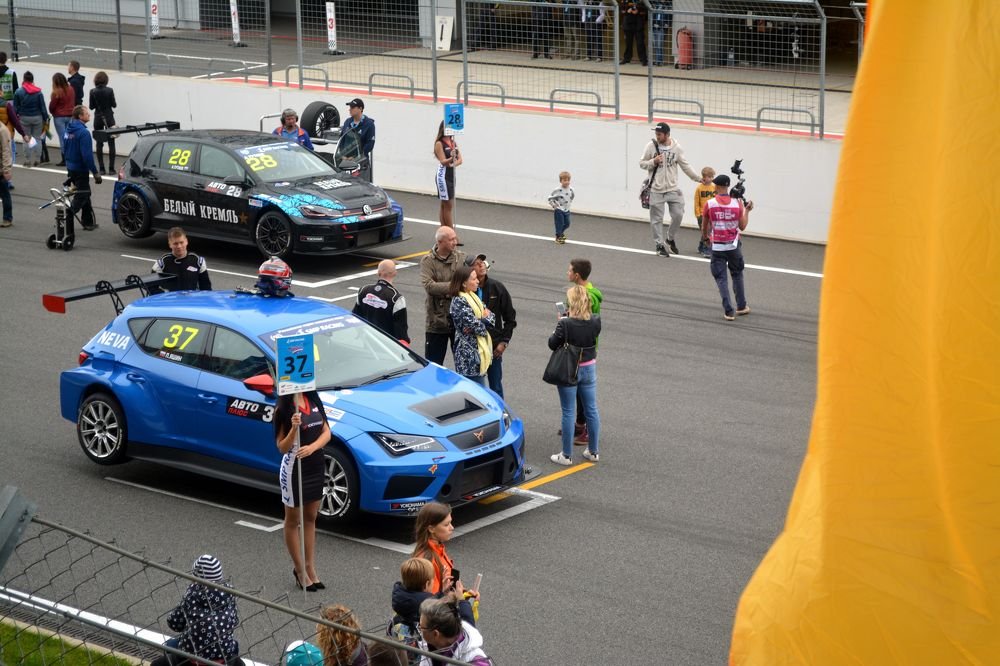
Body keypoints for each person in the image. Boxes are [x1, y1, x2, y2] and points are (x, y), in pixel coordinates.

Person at [275, 387, 331, 592]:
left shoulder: (313, 400)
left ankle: (310, 567)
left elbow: (327, 432)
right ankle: (299, 570)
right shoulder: (282, 408)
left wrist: (312, 448)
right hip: (294, 469)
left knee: (310, 517)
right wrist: (293, 428)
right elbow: (281, 447)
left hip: (315, 464)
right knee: (293, 520)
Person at [150, 554, 243, 666]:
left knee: (170, 644)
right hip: (222, 655)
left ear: (195, 578)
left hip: (191, 654)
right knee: (234, 645)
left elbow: (174, 623)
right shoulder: (230, 594)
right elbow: (235, 622)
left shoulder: (192, 594)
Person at [549, 285, 601, 466]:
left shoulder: (565, 324)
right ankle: (593, 451)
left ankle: (566, 455)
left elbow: (552, 343)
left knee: (568, 411)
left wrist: (560, 323)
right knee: (591, 409)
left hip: (570, 368)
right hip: (589, 367)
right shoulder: (596, 320)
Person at [391, 557, 476, 654]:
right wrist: (462, 601)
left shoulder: (400, 601)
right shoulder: (430, 613)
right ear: (427, 584)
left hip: (400, 656)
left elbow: (424, 601)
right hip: (427, 658)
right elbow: (468, 632)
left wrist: (442, 593)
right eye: (433, 580)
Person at [639, 122, 699, 256]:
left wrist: (698, 178)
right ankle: (659, 245)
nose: (657, 136)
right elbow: (642, 163)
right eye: (656, 134)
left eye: (659, 134)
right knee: (656, 220)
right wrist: (653, 161)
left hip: (672, 189)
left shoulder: (676, 148)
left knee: (678, 214)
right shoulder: (650, 146)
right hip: (656, 189)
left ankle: (670, 239)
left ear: (667, 134)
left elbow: (685, 166)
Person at [701, 174, 753, 320]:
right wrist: (747, 211)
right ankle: (741, 306)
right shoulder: (737, 203)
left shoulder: (710, 204)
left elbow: (704, 226)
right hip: (734, 245)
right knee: (737, 274)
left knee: (721, 278)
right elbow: (742, 226)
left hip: (717, 246)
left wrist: (705, 238)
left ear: (717, 186)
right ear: (727, 186)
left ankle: (729, 311)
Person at [466, 254, 516, 398]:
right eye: (477, 263)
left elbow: (510, 318)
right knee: (474, 388)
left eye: (482, 262)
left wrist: (504, 342)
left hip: (493, 347)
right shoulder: (465, 292)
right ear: (469, 270)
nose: (481, 265)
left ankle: (499, 411)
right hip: (472, 348)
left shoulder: (497, 287)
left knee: (496, 387)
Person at [565, 258, 603, 446]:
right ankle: (580, 424)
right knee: (580, 392)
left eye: (570, 270)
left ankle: (587, 430)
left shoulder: (586, 296)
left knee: (584, 393)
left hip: (582, 349)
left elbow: (582, 320)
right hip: (583, 347)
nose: (567, 273)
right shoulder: (586, 291)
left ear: (577, 275)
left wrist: (566, 320)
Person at [420, 226, 465, 365]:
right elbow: (429, 286)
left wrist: (443, 288)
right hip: (436, 323)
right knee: (433, 365)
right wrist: (456, 286)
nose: (455, 242)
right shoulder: (427, 261)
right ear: (440, 242)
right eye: (451, 239)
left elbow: (468, 283)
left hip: (458, 322)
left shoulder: (461, 258)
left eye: (455, 238)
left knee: (463, 364)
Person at [448, 265, 494, 387]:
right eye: (474, 279)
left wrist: (482, 320)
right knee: (475, 392)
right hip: (468, 357)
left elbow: (492, 319)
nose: (478, 281)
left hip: (478, 353)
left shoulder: (474, 297)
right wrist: (484, 319)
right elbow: (479, 328)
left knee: (480, 391)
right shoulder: (459, 301)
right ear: (464, 283)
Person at [62, 105, 102, 243]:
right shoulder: (84, 133)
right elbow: (87, 156)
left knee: (85, 192)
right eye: (86, 113)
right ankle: (69, 213)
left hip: (71, 167)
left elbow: (64, 148)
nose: (89, 115)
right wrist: (95, 172)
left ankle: (88, 221)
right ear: (80, 116)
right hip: (80, 169)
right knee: (83, 194)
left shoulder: (68, 129)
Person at [416, 598, 491, 666]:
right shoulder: (430, 645)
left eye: (421, 627)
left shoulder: (476, 662)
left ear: (435, 634)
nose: (419, 629)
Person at [353, 259, 409, 344]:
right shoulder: (396, 298)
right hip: (386, 345)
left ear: (378, 273)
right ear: (395, 273)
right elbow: (401, 331)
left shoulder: (363, 290)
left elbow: (355, 317)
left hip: (366, 341)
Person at [411, 502, 462, 596]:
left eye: (450, 522)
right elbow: (432, 600)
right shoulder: (426, 560)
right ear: (431, 529)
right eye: (446, 525)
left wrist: (465, 594)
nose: (452, 527)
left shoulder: (437, 548)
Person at [151, 227, 213, 292]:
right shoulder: (161, 264)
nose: (179, 246)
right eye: (175, 243)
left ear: (186, 241)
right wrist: (165, 296)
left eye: (181, 242)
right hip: (171, 298)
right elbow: (151, 288)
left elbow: (206, 289)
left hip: (192, 298)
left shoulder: (198, 262)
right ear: (170, 244)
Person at [13, 71, 47, 167]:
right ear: (32, 80)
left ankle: (27, 160)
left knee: (26, 139)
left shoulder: (18, 91)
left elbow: (15, 107)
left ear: (24, 79)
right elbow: (42, 107)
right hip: (37, 117)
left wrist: (15, 118)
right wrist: (45, 118)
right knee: (37, 138)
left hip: (24, 118)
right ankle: (37, 159)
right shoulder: (38, 92)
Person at [433, 121, 462, 230]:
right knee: (448, 205)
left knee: (444, 205)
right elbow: (443, 161)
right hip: (443, 176)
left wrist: (453, 163)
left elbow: (460, 160)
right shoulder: (439, 143)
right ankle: (451, 232)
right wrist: (451, 159)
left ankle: (444, 230)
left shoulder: (453, 142)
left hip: (451, 175)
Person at [89, 71, 117, 174]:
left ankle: (101, 168)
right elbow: (114, 105)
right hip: (109, 118)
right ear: (106, 80)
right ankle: (111, 169)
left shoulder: (92, 91)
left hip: (98, 118)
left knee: (99, 143)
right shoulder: (110, 90)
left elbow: (91, 107)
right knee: (111, 143)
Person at [49, 73, 74, 167]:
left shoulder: (57, 92)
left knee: (62, 137)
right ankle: (71, 156)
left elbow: (52, 106)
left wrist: (52, 112)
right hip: (70, 115)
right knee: (69, 136)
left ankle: (65, 158)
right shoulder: (71, 89)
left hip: (59, 117)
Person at [342, 98, 375, 164]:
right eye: (350, 107)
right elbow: (341, 140)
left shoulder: (369, 124)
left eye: (352, 107)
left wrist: (356, 157)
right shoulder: (347, 121)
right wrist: (342, 155)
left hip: (361, 162)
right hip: (345, 161)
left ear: (360, 109)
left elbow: (369, 144)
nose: (350, 109)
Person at [693, 166, 716, 258]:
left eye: (712, 177)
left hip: (712, 214)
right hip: (702, 214)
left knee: (708, 231)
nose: (711, 179)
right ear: (703, 177)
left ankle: (703, 246)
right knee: (706, 231)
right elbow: (696, 202)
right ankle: (705, 248)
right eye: (709, 177)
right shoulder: (699, 188)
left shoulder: (714, 187)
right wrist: (698, 214)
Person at [547, 170, 574, 244]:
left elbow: (572, 196)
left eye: (568, 180)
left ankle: (560, 233)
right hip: (559, 210)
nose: (566, 182)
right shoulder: (558, 190)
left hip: (566, 209)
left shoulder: (571, 189)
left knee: (567, 224)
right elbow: (550, 198)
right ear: (561, 181)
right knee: (560, 223)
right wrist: (554, 206)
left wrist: (569, 203)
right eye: (564, 180)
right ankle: (558, 237)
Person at [619, 0, 648, 65]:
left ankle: (643, 59)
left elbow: (646, 11)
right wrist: (627, 11)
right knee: (628, 43)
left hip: (638, 25)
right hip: (628, 25)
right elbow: (621, 10)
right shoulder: (625, 1)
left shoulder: (642, 1)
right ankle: (627, 58)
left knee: (640, 43)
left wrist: (638, 12)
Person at [649, 0, 672, 66]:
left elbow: (670, 16)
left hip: (661, 28)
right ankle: (659, 60)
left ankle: (659, 61)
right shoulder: (655, 4)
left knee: (659, 45)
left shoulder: (668, 5)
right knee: (656, 45)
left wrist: (667, 24)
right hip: (654, 27)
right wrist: (653, 24)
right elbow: (652, 15)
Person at [0, 121, 12, 228]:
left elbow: (6, 151)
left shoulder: (2, 130)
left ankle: (7, 218)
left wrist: (6, 170)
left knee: (5, 194)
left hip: (1, 168)